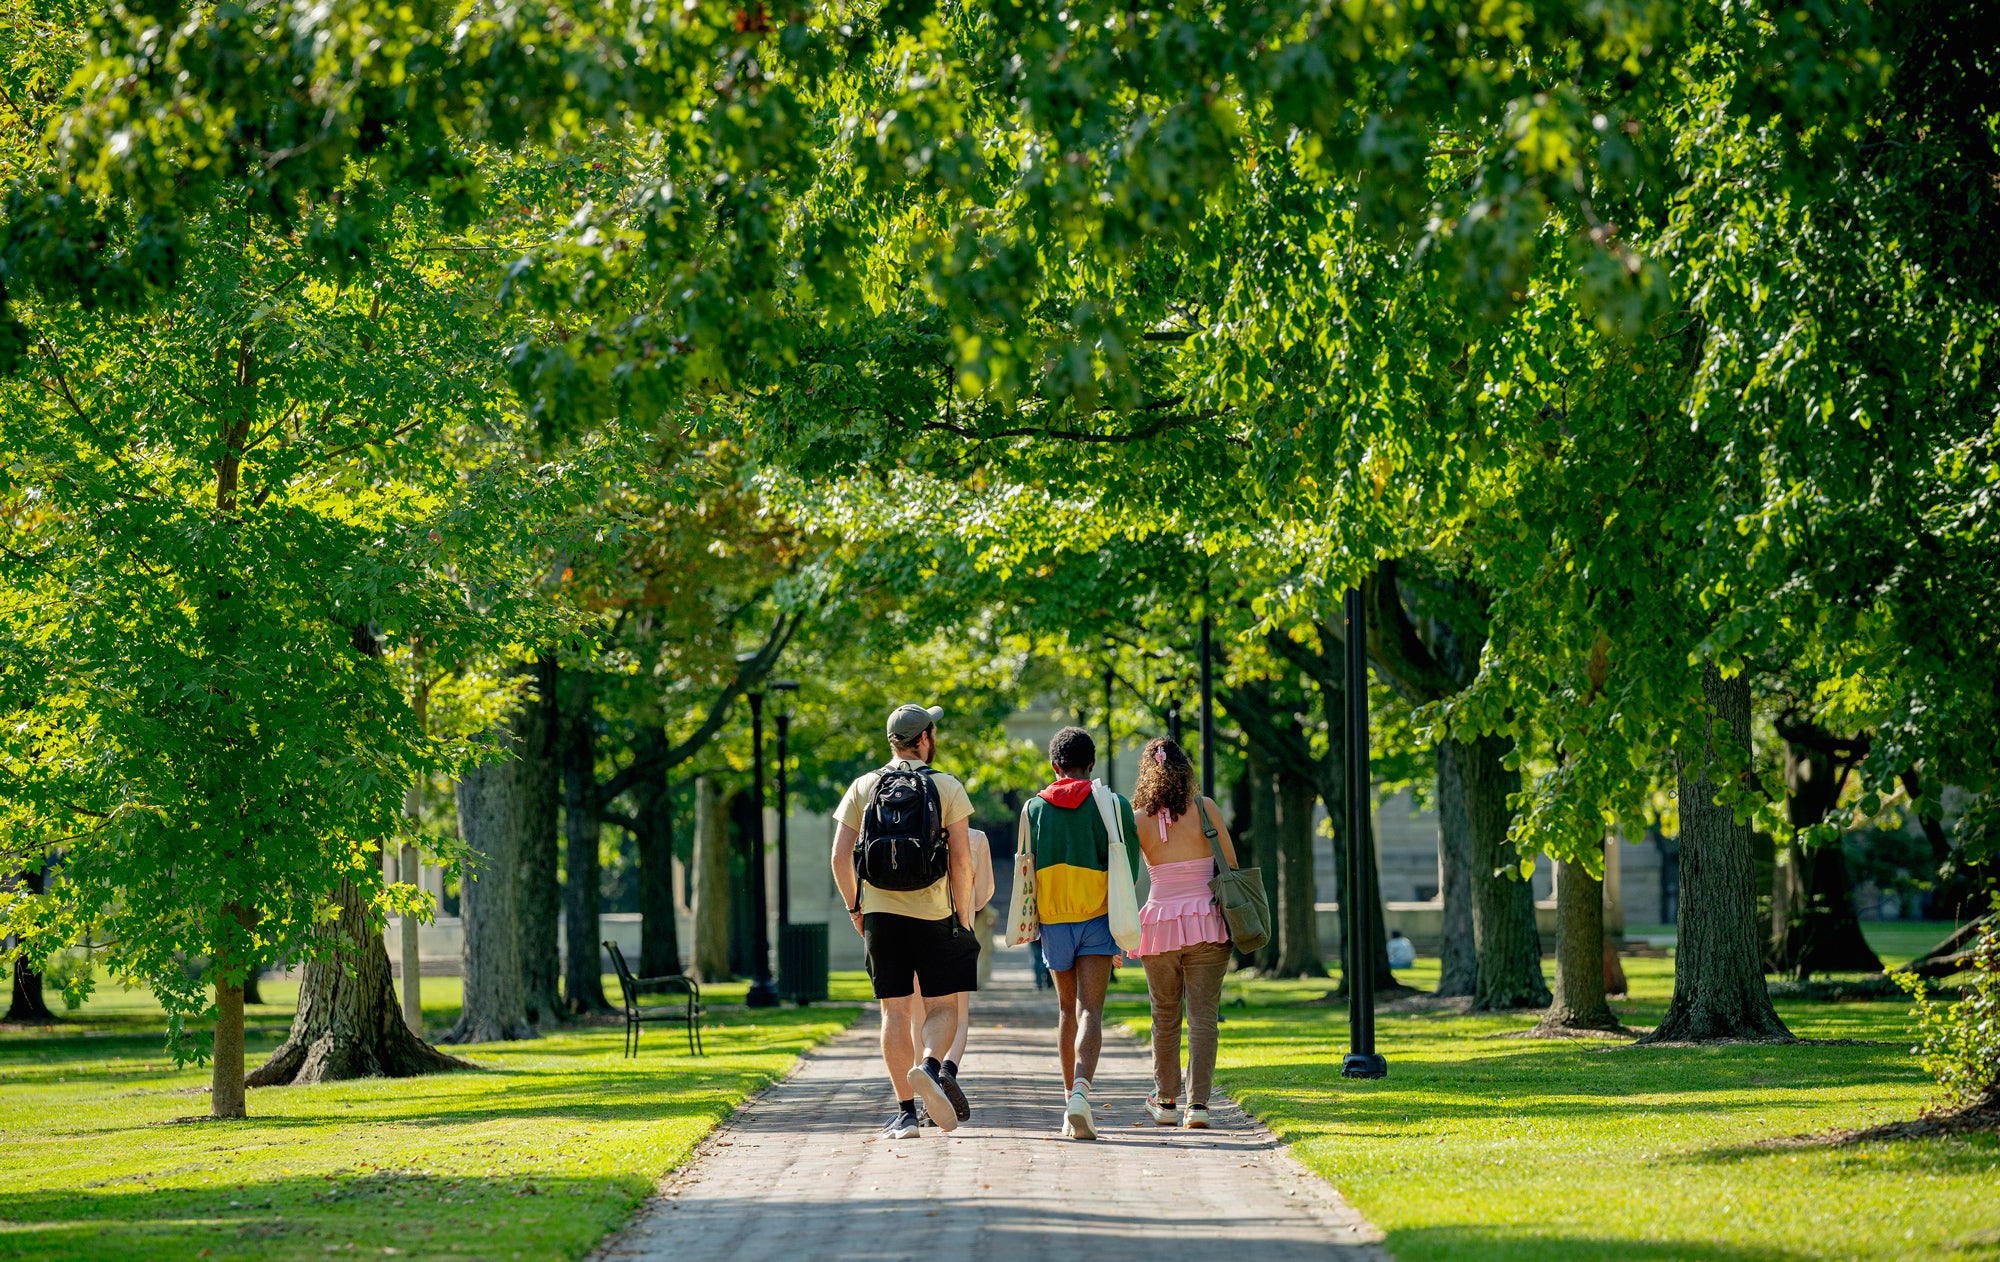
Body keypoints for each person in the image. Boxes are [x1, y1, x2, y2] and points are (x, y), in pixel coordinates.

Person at [832, 704, 979, 1140]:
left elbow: (839, 857)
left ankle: (906, 1114)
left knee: (893, 1013)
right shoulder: (947, 786)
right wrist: (963, 914)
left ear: (892, 740)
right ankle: (931, 1066)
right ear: (927, 738)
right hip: (935, 913)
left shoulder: (863, 786)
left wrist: (855, 907)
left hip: (881, 915)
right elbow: (961, 861)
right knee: (942, 1006)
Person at [1019, 725, 1140, 1139]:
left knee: (1066, 1010)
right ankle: (1081, 1097)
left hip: (1054, 920)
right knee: (1092, 1010)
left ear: (1055, 766)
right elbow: (1130, 871)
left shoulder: (1034, 809)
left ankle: (1067, 1096)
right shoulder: (1115, 805)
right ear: (1092, 765)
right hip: (1100, 917)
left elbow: (1026, 867)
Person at [1129, 736, 1237, 1130]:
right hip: (1206, 919)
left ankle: (1166, 1101)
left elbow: (1128, 873)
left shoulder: (1137, 817)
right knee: (1204, 1017)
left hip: (1158, 925)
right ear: (1184, 770)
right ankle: (1200, 1106)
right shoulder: (1206, 809)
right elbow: (1232, 862)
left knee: (1164, 1017)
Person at [909, 826, 995, 1125]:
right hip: (958, 933)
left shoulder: (913, 833)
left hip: (915, 934)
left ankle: (924, 1097)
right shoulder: (975, 838)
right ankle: (946, 1069)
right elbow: (983, 895)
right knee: (958, 1017)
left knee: (919, 1017)